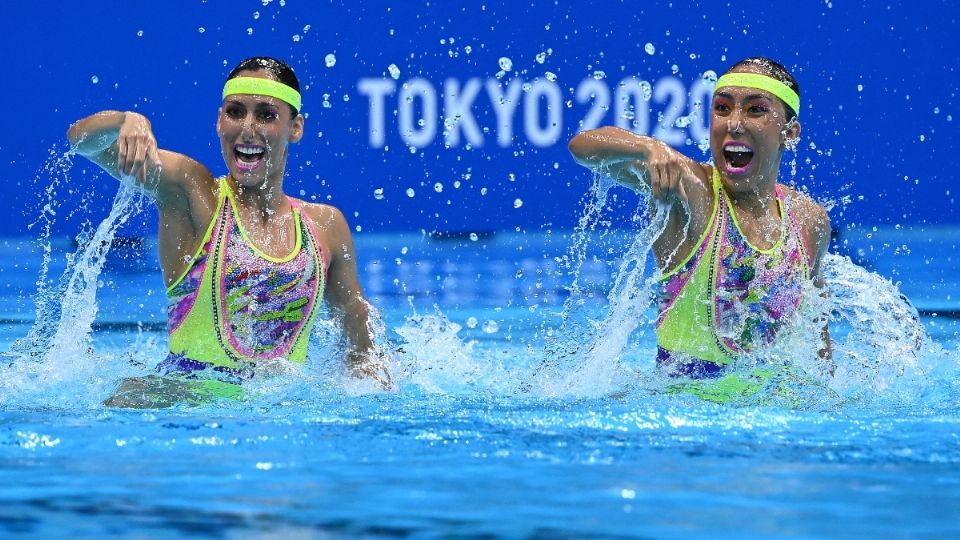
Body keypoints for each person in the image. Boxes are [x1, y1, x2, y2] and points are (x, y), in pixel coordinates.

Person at [67, 57, 388, 407]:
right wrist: (126, 121)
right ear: (219, 121)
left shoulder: (325, 226)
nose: (248, 129)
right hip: (181, 411)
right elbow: (82, 141)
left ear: (295, 128)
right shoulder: (194, 194)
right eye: (236, 112)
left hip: (280, 420)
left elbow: (358, 341)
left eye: (266, 115)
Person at [568, 57, 832, 402]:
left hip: (772, 415)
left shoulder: (808, 220)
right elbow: (583, 147)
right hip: (681, 411)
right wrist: (649, 147)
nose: (734, 123)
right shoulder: (691, 193)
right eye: (722, 108)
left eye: (755, 110)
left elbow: (818, 327)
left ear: (790, 132)